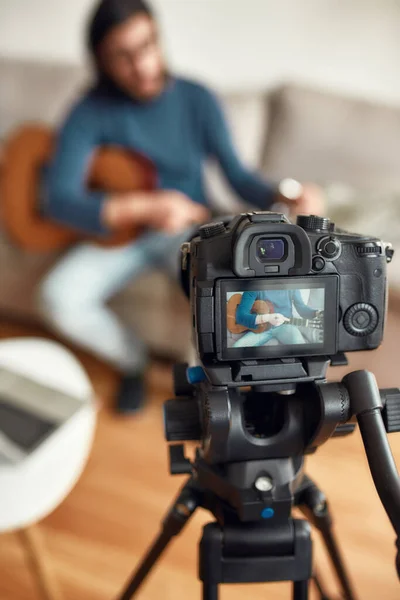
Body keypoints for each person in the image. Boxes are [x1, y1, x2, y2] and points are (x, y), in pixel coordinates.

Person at [39, 0, 325, 413]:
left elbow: (241, 179)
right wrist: (146, 207)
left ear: (158, 37)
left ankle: (223, 389)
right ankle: (132, 361)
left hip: (188, 231)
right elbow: (59, 200)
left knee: (213, 285)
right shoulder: (87, 112)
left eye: (147, 45)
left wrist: (287, 193)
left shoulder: (196, 98)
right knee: (57, 296)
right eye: (123, 55)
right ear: (101, 60)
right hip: (120, 237)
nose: (142, 65)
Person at [234, 289, 322, 348]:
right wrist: (267, 318)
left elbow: (302, 309)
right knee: (237, 347)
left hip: (286, 325)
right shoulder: (253, 286)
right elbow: (240, 316)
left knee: (301, 347)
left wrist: (317, 313)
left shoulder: (291, 285)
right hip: (261, 328)